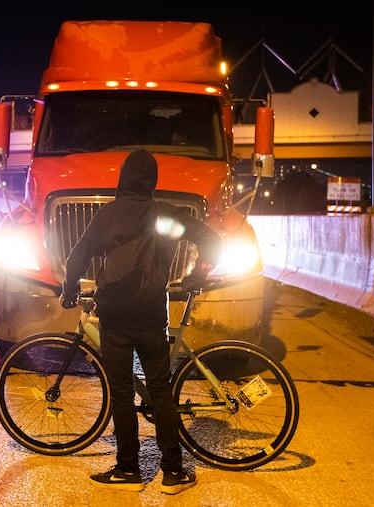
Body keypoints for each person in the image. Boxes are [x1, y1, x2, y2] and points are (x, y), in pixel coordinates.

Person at [60, 149, 221, 495]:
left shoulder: (108, 216)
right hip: (150, 314)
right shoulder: (163, 217)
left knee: (121, 392)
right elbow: (210, 238)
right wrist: (197, 274)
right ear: (152, 181)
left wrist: (69, 290)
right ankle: (174, 473)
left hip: (115, 314)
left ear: (123, 178)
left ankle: (128, 470)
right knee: (160, 389)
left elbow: (77, 258)